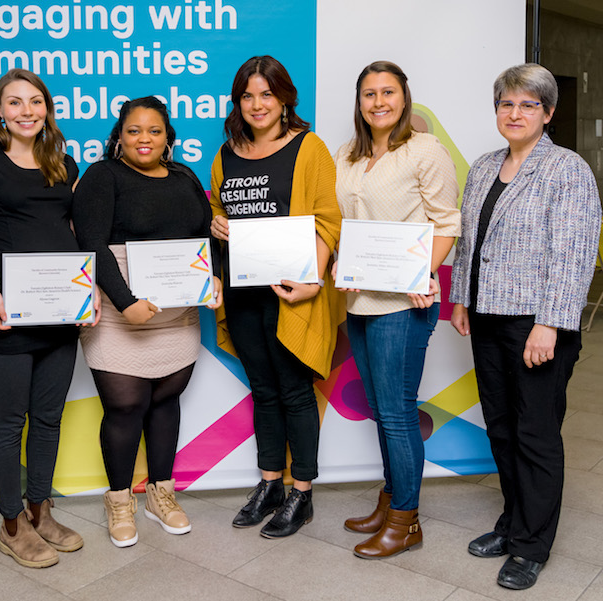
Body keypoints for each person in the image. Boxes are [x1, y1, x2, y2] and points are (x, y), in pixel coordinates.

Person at [450, 63, 601, 590]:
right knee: (501, 427)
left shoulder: (567, 169)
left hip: (537, 326)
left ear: (548, 113)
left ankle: (532, 545)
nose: (515, 114)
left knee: (535, 433)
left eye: (528, 105)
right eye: (506, 104)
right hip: (488, 316)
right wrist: (461, 300)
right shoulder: (484, 166)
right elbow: (469, 242)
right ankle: (513, 522)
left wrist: (551, 324)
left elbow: (573, 254)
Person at [0, 69, 93, 569]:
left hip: (61, 309)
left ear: (47, 108)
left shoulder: (64, 163)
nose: (26, 111)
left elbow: (74, 230)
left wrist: (88, 290)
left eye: (35, 101)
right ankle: (12, 525)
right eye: (15, 103)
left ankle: (42, 510)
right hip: (7, 309)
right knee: (10, 422)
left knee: (49, 418)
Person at [73, 96, 222, 547]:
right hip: (121, 308)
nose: (144, 139)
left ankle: (162, 492)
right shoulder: (102, 176)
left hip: (178, 312)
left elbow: (204, 233)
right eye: (134, 130)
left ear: (168, 139)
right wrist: (125, 301)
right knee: (124, 406)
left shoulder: (184, 177)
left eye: (154, 131)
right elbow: (92, 243)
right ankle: (119, 499)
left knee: (164, 399)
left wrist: (212, 279)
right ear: (119, 136)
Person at [332, 60, 460, 559]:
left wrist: (419, 273)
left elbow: (447, 223)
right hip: (359, 299)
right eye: (369, 94)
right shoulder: (346, 155)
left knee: (397, 411)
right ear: (359, 102)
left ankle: (406, 521)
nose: (378, 102)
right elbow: (345, 223)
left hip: (404, 303)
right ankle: (390, 501)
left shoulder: (425, 150)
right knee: (383, 412)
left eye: (388, 92)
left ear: (404, 98)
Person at [209, 55, 340, 539]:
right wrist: (217, 225)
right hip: (244, 295)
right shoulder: (227, 154)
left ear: (285, 98)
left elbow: (328, 220)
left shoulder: (310, 148)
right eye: (247, 95)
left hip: (293, 294)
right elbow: (221, 211)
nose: (257, 104)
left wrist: (315, 279)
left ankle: (301, 492)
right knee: (263, 391)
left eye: (266, 94)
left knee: (294, 392)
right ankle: (270, 485)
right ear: (237, 102)